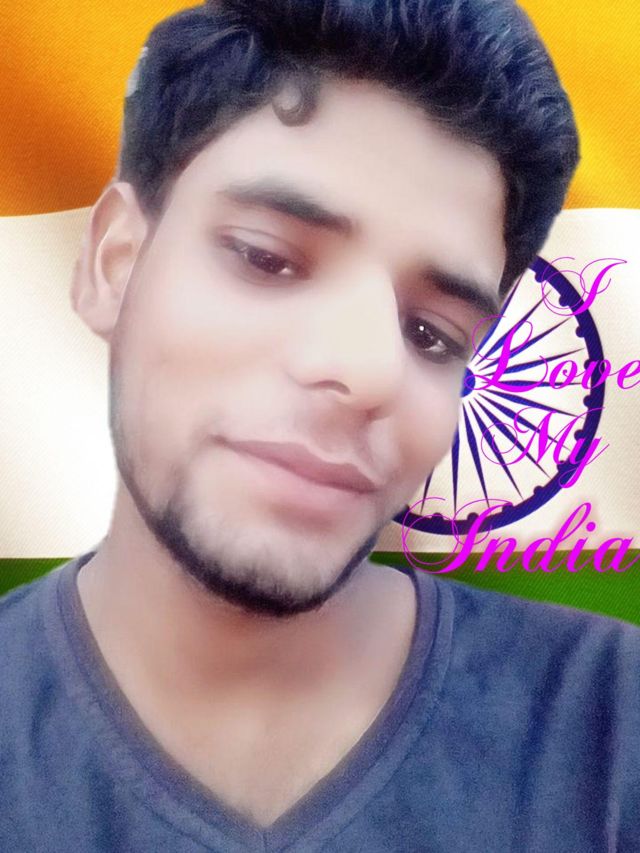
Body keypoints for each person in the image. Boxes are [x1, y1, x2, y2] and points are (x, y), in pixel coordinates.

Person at [1, 0, 639, 850]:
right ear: (114, 263)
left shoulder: (610, 727)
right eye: (267, 258)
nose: (369, 371)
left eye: (432, 334)